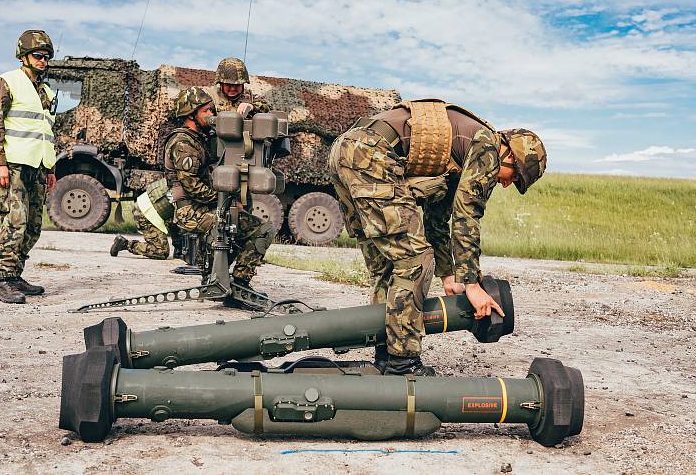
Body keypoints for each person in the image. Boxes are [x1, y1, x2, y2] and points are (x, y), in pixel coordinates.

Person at [329, 98, 547, 375]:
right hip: (371, 155)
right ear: (510, 155)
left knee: (390, 266)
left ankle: (385, 355)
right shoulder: (487, 147)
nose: (505, 183)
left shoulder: (463, 152)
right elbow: (467, 217)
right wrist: (471, 284)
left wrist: (447, 275)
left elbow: (437, 218)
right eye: (514, 177)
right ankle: (403, 364)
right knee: (415, 261)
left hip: (346, 150)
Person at [163, 86, 275, 294]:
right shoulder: (183, 143)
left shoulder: (200, 139)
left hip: (201, 207)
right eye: (207, 111)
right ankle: (229, 282)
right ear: (191, 114)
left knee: (247, 225)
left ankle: (229, 280)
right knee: (252, 228)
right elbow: (192, 187)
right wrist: (224, 201)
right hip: (189, 210)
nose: (212, 115)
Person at [0, 30, 59, 304]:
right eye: (38, 56)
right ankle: (4, 281)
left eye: (46, 57)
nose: (43, 61)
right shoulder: (7, 82)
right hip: (14, 165)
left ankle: (16, 276)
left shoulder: (46, 91)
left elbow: (47, 132)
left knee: (34, 226)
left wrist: (50, 169)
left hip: (38, 167)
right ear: (23, 56)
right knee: (15, 222)